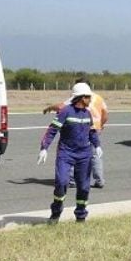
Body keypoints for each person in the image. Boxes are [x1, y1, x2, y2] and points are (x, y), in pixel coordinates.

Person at [37, 82, 102, 223]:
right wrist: (44, 148)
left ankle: (80, 216)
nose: (90, 100)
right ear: (80, 97)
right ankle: (55, 213)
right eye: (88, 97)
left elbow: (92, 131)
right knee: (61, 182)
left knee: (84, 187)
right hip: (66, 153)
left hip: (84, 154)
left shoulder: (88, 113)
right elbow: (52, 130)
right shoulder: (65, 111)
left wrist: (97, 145)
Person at [43, 78, 109, 188]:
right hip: (95, 129)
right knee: (95, 156)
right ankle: (99, 180)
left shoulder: (79, 97)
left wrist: (48, 108)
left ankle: (72, 180)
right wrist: (101, 125)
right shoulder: (98, 98)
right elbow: (105, 114)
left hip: (80, 129)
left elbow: (61, 107)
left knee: (74, 151)